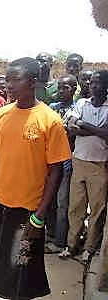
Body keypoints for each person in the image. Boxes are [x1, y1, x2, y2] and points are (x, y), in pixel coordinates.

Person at [0, 57, 71, 300]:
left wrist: (40, 215)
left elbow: (56, 171)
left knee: (20, 270)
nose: (9, 85)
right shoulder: (1, 114)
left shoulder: (50, 120)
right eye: (8, 79)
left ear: (33, 82)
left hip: (27, 210)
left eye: (16, 80)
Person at [59, 70, 108, 262]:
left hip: (100, 164)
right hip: (78, 160)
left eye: (98, 83)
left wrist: (83, 125)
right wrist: (98, 131)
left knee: (96, 210)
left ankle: (89, 248)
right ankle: (72, 245)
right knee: (75, 207)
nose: (93, 86)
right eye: (92, 83)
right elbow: (70, 128)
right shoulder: (82, 103)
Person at [45, 74, 77, 253]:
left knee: (62, 203)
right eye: (60, 87)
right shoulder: (52, 108)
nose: (61, 91)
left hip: (66, 163)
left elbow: (72, 134)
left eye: (66, 87)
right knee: (48, 201)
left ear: (74, 89)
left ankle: (59, 241)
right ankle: (50, 233)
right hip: (49, 161)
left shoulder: (78, 108)